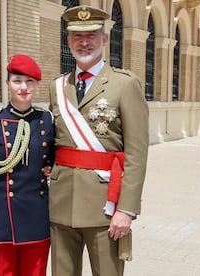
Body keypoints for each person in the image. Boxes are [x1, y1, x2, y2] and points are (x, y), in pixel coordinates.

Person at [48, 5, 149, 276]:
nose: (84, 42)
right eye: (77, 36)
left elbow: (137, 155)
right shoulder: (57, 86)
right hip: (61, 204)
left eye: (91, 35)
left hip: (105, 208)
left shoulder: (125, 85)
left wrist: (126, 210)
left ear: (104, 39)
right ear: (68, 41)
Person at [0, 54, 54, 276]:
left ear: (37, 85)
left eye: (29, 81)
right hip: (0, 215)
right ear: (7, 84)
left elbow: (55, 157)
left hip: (36, 213)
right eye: (17, 81)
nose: (23, 87)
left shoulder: (47, 120)